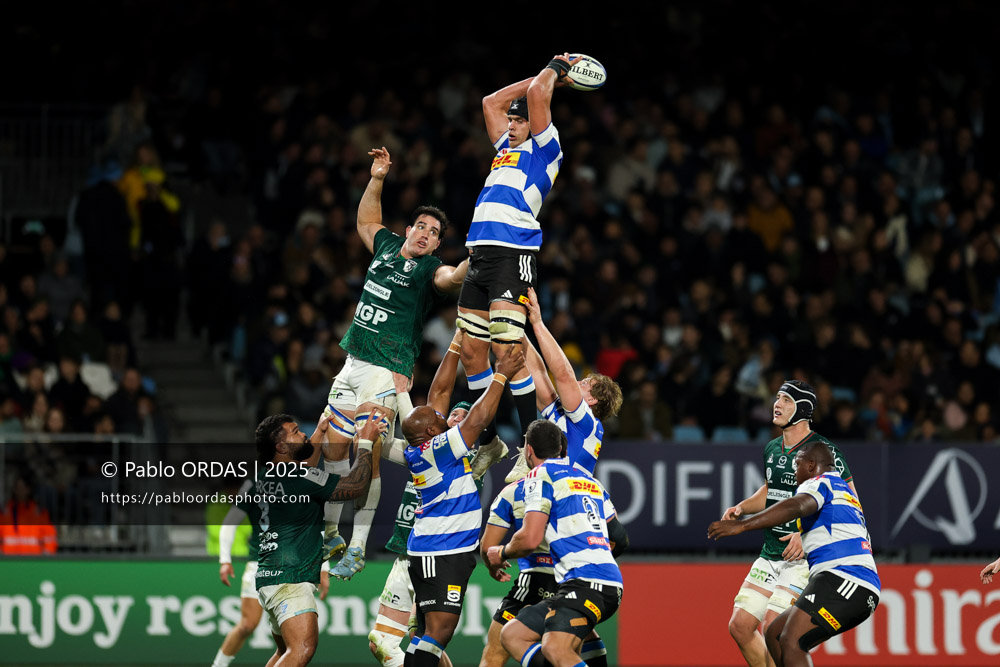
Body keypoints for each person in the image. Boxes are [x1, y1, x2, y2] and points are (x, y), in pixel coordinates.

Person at [321, 146, 484, 582]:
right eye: (422, 227)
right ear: (409, 229)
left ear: (436, 244)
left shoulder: (430, 271)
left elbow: (454, 277)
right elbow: (365, 222)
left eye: (434, 233)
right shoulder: (388, 244)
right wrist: (377, 178)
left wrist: (480, 249)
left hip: (386, 366)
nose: (426, 235)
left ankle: (356, 548)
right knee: (334, 452)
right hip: (352, 361)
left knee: (366, 452)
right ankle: (437, 459)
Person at [457, 53, 580, 447]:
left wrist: (555, 68)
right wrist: (538, 78)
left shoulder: (546, 150)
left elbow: (538, 94)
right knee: (472, 352)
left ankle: (533, 444)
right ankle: (488, 442)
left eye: (519, 120)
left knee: (507, 352)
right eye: (510, 121)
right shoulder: (503, 149)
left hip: (513, 254)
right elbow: (489, 103)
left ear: (535, 124)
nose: (511, 126)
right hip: (479, 256)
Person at [400, 346, 525, 667]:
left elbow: (440, 394)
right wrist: (501, 374)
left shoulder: (427, 447)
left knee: (429, 632)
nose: (445, 416)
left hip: (439, 548)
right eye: (440, 417)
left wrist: (456, 345)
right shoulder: (440, 448)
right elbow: (480, 416)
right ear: (431, 431)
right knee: (438, 631)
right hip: (441, 550)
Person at [720, 380, 858, 667]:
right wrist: (742, 508)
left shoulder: (823, 452)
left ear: (803, 409)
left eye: (785, 400)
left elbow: (850, 502)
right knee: (740, 626)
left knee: (775, 629)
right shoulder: (772, 448)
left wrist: (805, 533)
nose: (777, 404)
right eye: (777, 398)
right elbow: (772, 491)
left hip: (802, 560)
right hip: (771, 553)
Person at [709, 441, 880, 667]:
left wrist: (743, 525)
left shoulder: (820, 482)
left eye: (797, 464)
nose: (794, 470)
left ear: (811, 465)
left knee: (791, 640)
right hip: (848, 582)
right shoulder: (843, 489)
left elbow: (797, 505)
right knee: (776, 635)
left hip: (846, 579)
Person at [479, 422, 627, 667]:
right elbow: (620, 539)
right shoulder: (590, 480)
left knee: (553, 649)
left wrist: (501, 552)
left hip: (580, 581)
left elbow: (530, 539)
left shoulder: (539, 476)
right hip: (598, 581)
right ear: (562, 448)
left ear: (528, 450)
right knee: (515, 635)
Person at [368, 328, 472, 667]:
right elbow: (431, 403)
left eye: (464, 416)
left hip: (439, 553)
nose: (454, 416)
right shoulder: (423, 447)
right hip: (409, 550)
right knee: (404, 642)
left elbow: (432, 410)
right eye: (451, 413)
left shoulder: (467, 451)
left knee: (424, 639)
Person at [252, 410, 382, 667]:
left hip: (270, 577)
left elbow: (306, 473)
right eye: (295, 432)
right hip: (291, 577)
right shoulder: (299, 477)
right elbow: (354, 486)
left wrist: (321, 432)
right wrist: (365, 442)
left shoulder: (266, 475)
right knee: (302, 649)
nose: (302, 434)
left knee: (284, 653)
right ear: (281, 446)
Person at [505, 287, 623, 482]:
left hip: (567, 496)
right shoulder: (565, 416)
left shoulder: (589, 423)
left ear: (592, 399)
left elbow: (563, 374)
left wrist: (537, 322)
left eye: (584, 383)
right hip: (551, 491)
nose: (577, 382)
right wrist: (514, 321)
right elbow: (539, 373)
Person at [210, 480, 331, 667]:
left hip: (289, 567)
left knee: (286, 648)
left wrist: (324, 567)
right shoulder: (254, 485)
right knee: (249, 625)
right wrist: (225, 560)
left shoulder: (301, 482)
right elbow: (231, 520)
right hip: (260, 564)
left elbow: (316, 526)